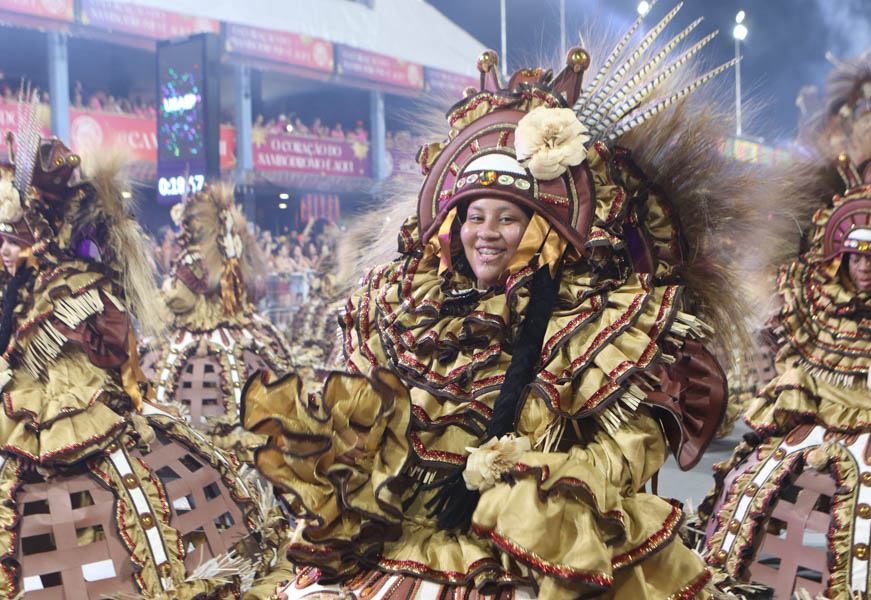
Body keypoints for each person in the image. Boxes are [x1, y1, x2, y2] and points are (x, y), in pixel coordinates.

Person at [241, 8, 780, 597]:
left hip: (531, 556)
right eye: (474, 216)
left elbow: (631, 451)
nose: (487, 233)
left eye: (508, 218)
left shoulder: (604, 321)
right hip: (405, 548)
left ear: (544, 228)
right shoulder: (406, 312)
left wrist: (538, 481)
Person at [0, 134, 280, 597]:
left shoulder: (71, 286)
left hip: (82, 397)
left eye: (13, 241)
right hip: (45, 399)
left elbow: (115, 340)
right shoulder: (34, 284)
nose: (6, 251)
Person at [698, 50, 871, 599]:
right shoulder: (812, 302)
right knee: (769, 466)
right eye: (857, 258)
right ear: (840, 256)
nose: (865, 269)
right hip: (819, 408)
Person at [139, 183, 292, 459]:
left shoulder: (194, 258)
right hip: (226, 319)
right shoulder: (224, 253)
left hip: (203, 319)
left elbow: (184, 297)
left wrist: (168, 291)